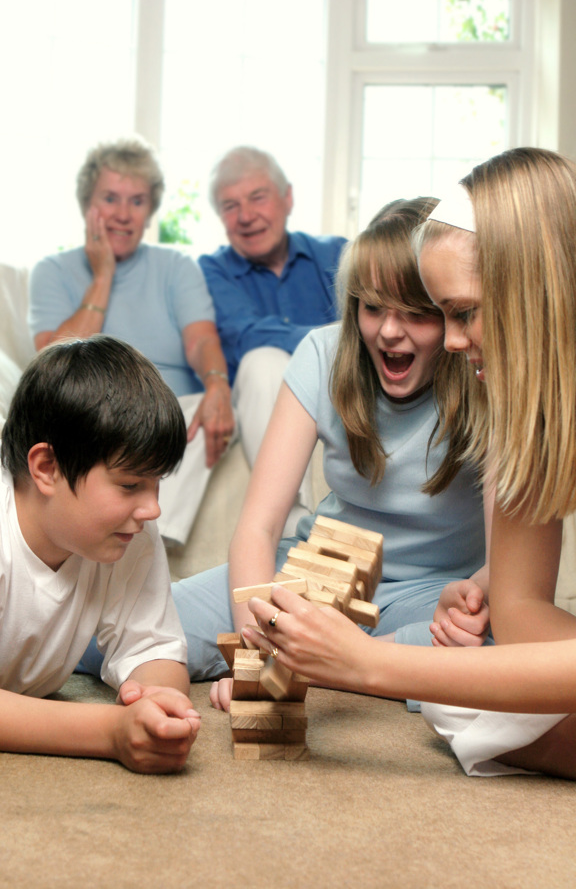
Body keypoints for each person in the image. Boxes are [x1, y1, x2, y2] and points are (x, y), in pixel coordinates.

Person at [240, 148, 576, 781]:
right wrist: (484, 597)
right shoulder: (523, 408)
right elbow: (523, 610)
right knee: (469, 709)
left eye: (463, 313)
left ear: (536, 292)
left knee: (481, 700)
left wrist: (364, 665)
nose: (451, 341)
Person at [172, 197, 491, 696]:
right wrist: (256, 651)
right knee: (133, 630)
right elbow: (257, 526)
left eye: (415, 312)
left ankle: (346, 663)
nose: (388, 331)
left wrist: (469, 602)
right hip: (309, 573)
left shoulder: (487, 369)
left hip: (430, 596)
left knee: (501, 656)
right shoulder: (322, 353)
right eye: (372, 307)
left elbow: (512, 569)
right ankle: (344, 664)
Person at [0, 335, 200, 774]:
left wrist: (154, 703)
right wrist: (110, 731)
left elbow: (152, 646)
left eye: (156, 484)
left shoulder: (126, 530)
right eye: (131, 484)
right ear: (47, 468)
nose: (152, 508)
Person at [28, 136, 235, 545]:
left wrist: (217, 382)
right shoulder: (52, 270)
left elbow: (200, 340)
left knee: (193, 411)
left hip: (173, 410)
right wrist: (102, 276)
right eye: (110, 198)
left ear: (150, 210)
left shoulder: (176, 267)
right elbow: (53, 360)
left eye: (137, 201)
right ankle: (142, 547)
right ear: (88, 204)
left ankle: (152, 542)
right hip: (95, 413)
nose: (123, 214)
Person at [200, 146, 347, 532]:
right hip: (261, 395)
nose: (246, 216)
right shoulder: (211, 270)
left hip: (340, 393)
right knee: (263, 357)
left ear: (288, 198)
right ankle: (290, 520)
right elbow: (246, 334)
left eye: (257, 198)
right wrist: (337, 337)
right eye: (230, 206)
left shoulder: (337, 254)